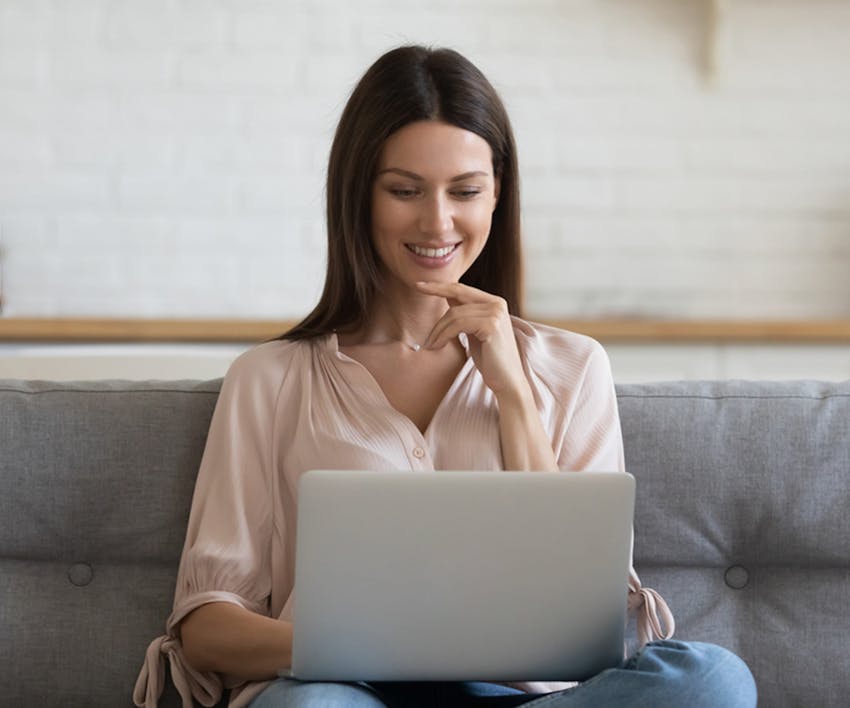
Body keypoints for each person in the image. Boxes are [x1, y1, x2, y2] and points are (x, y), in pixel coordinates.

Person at [134, 45, 756, 708]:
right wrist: (356, 641)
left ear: (497, 196)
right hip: (347, 693)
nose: (437, 222)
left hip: (523, 699)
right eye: (404, 190)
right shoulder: (269, 379)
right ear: (359, 196)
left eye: (465, 191)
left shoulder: (574, 367)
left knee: (714, 680)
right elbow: (205, 628)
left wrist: (513, 393)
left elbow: (578, 607)